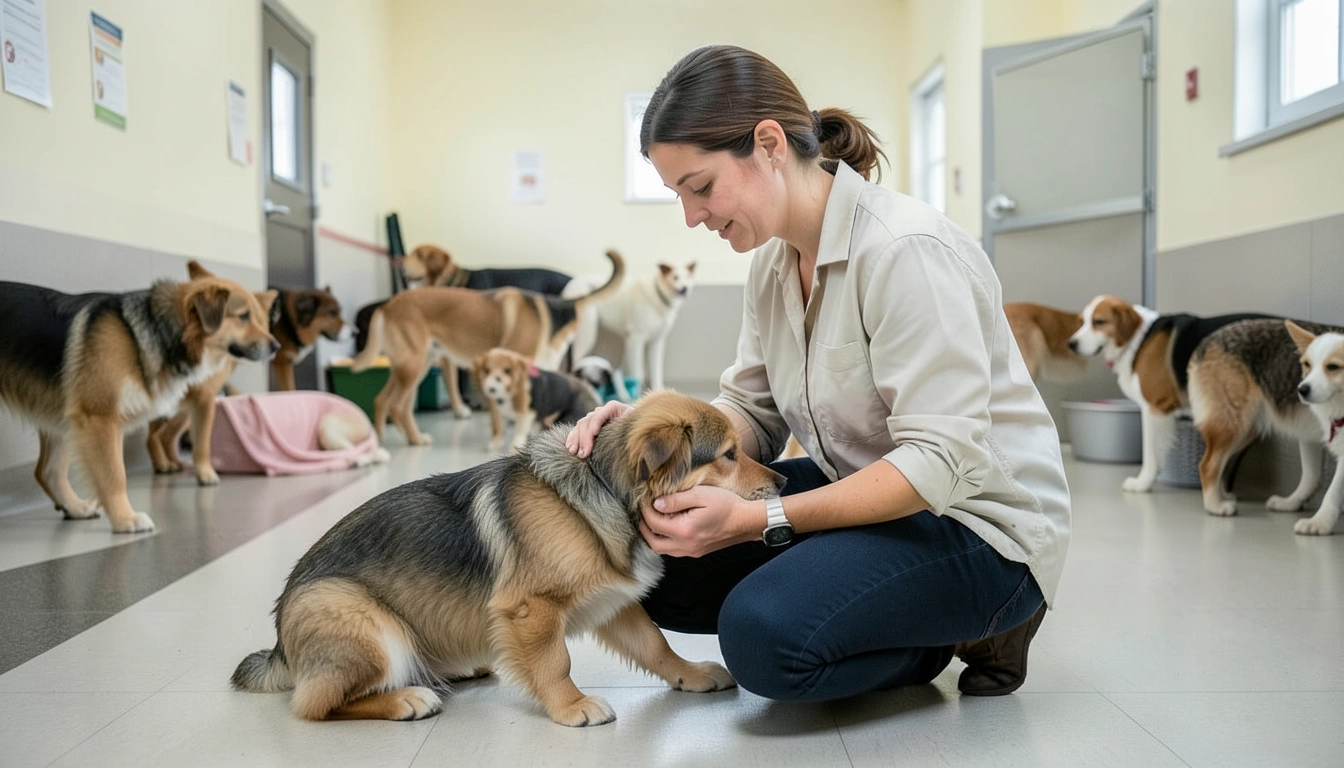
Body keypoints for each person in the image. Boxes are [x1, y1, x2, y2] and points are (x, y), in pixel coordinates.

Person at [566, 44, 1070, 701]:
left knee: (765, 639)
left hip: (975, 525)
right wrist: (642, 432)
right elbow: (750, 414)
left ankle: (961, 629)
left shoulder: (905, 251)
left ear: (769, 145)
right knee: (653, 558)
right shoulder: (773, 265)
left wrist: (757, 520)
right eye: (679, 195)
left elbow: (937, 463)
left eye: (701, 187)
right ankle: (869, 604)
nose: (692, 216)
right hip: (864, 489)